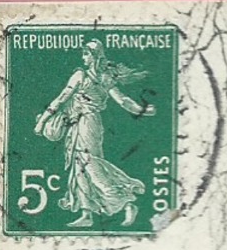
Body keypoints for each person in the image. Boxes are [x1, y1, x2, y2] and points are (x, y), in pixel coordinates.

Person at [33, 40, 154, 228]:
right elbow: (63, 98)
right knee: (79, 165)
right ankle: (86, 213)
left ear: (95, 56)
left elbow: (121, 100)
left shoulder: (87, 76)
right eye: (84, 54)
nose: (83, 57)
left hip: (88, 122)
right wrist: (140, 110)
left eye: (87, 54)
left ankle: (125, 201)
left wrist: (141, 110)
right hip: (78, 123)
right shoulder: (95, 76)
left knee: (90, 163)